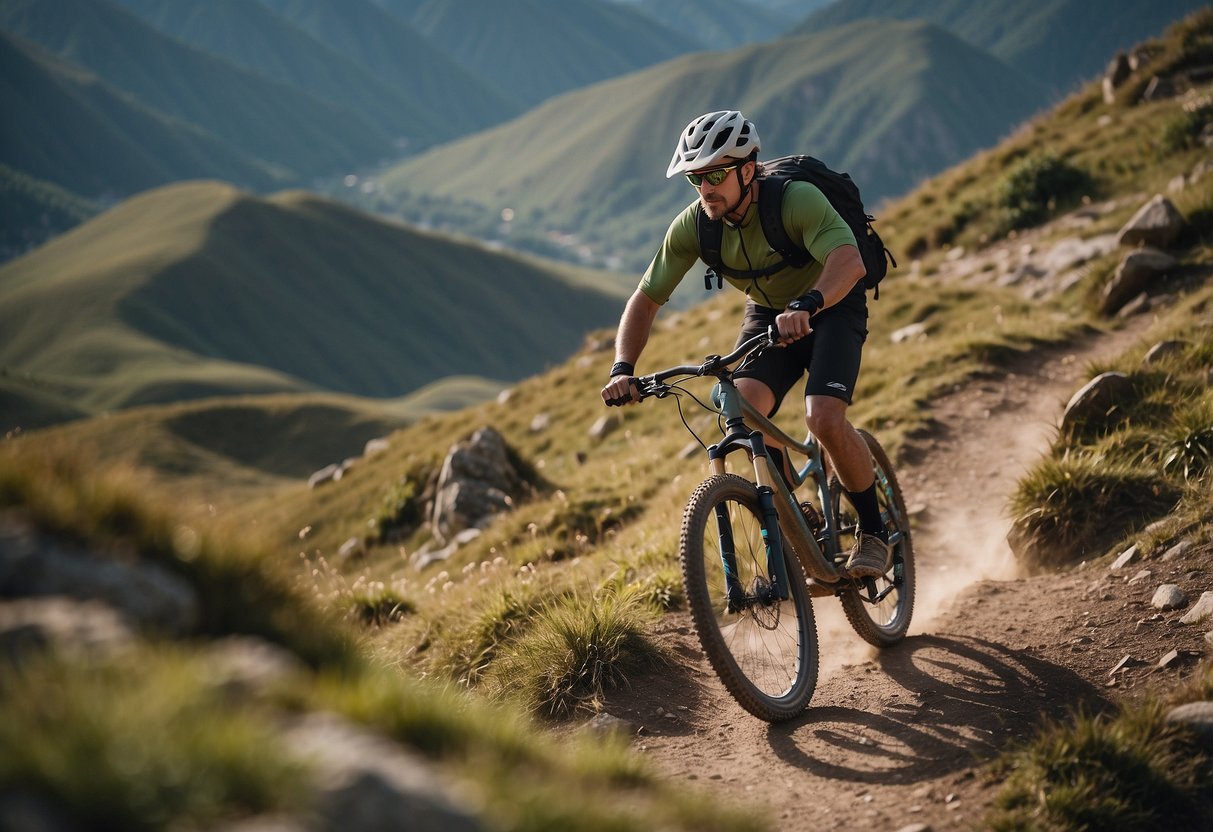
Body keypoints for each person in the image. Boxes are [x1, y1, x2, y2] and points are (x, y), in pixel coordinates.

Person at [599, 110, 890, 579]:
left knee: (822, 416)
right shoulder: (696, 225)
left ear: (747, 169)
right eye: (696, 178)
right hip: (769, 313)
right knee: (741, 403)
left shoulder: (795, 200)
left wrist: (810, 303)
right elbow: (646, 298)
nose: (705, 188)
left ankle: (874, 533)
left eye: (715, 174)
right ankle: (801, 517)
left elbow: (848, 260)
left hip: (832, 302)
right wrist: (621, 368)